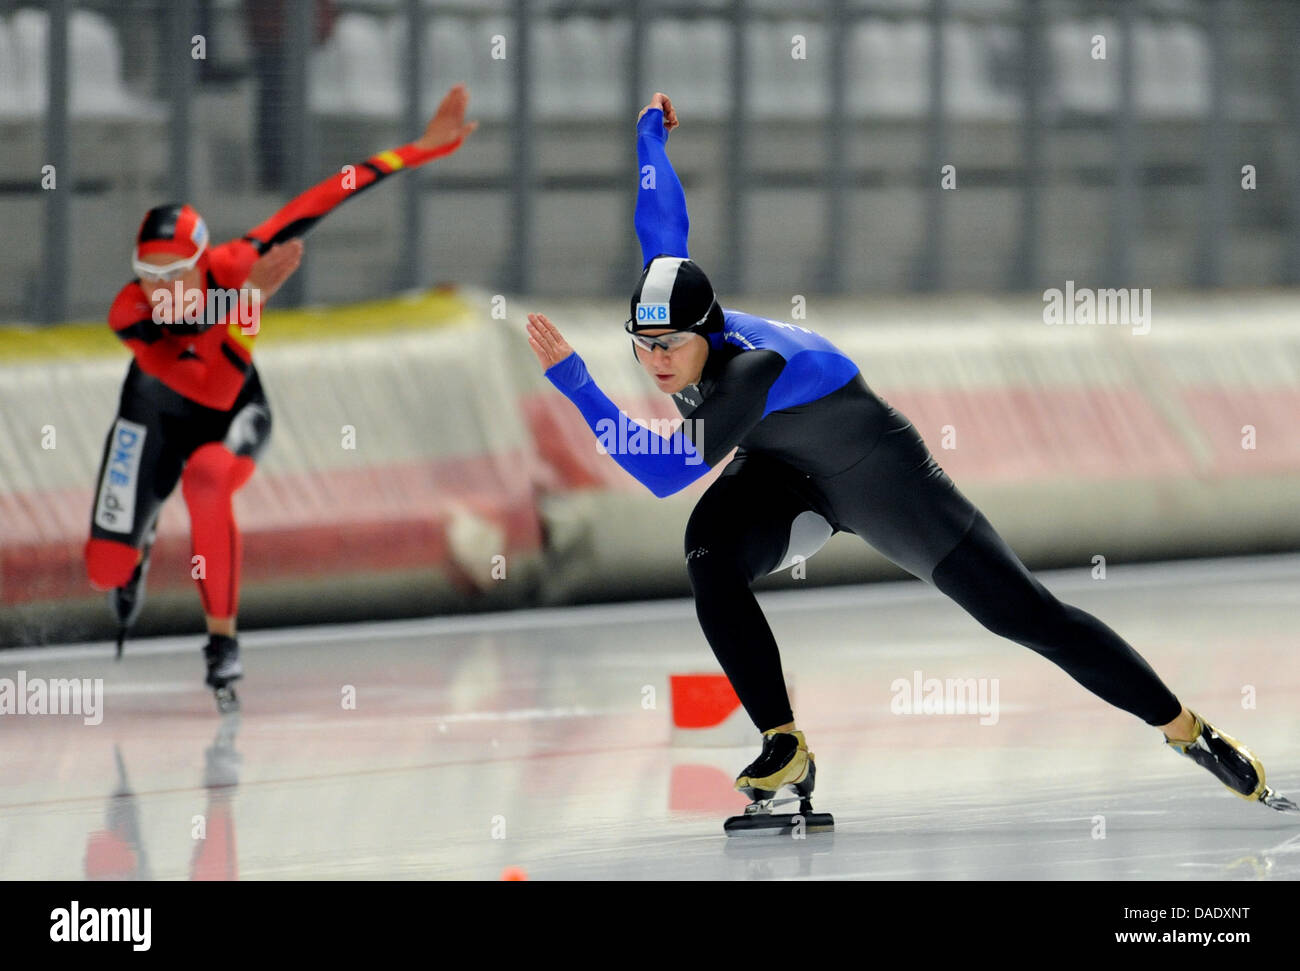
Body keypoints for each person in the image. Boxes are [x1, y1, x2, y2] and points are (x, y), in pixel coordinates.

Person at [526, 92, 1296, 821]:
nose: (657, 362)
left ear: (710, 329)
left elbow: (662, 471)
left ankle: (1186, 726)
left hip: (880, 477)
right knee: (708, 553)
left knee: (1028, 615)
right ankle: (783, 743)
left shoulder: (748, 372)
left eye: (671, 346)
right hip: (781, 474)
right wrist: (649, 136)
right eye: (644, 347)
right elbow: (661, 223)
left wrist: (579, 383)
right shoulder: (676, 306)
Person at [86, 85, 477, 710]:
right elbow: (197, 381)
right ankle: (138, 534)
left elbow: (326, 193)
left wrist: (420, 150)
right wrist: (245, 307)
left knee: (208, 480)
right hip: (154, 411)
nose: (160, 292)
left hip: (234, 414)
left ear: (203, 261)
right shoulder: (129, 313)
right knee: (104, 568)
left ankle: (221, 641)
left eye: (174, 274)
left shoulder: (241, 261)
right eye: (148, 276)